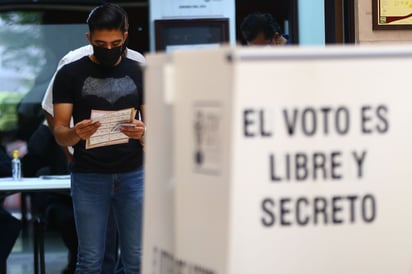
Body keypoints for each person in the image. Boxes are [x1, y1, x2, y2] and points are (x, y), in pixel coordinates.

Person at [41, 5, 146, 274]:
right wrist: (76, 134)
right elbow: (58, 130)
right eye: (100, 43)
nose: (108, 48)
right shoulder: (70, 71)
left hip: (133, 173)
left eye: (115, 43)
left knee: (137, 258)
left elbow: (158, 128)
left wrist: (143, 133)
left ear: (124, 37)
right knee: (90, 259)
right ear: (89, 39)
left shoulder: (141, 70)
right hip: (89, 174)